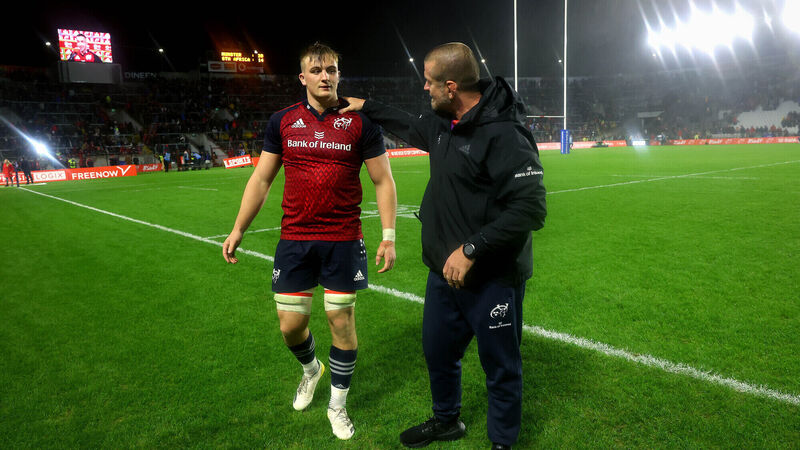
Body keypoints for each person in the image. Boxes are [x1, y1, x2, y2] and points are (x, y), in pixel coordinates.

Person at [340, 42, 546, 449]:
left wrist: (472, 249)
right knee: (438, 352)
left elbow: (531, 209)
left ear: (451, 87)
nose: (424, 88)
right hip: (443, 274)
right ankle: (446, 420)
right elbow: (406, 122)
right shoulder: (442, 123)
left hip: (492, 276)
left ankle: (502, 442)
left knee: (500, 365)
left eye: (429, 81)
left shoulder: (505, 133)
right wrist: (364, 106)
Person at [222, 42, 398, 441]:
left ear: (339, 75)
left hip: (343, 238)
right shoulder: (282, 121)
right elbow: (262, 179)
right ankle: (311, 370)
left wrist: (388, 236)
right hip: (295, 238)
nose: (325, 76)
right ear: (303, 77)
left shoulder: (360, 122)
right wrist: (238, 228)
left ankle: (337, 405)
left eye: (331, 70)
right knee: (290, 326)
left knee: (341, 319)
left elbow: (383, 180)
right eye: (317, 70)